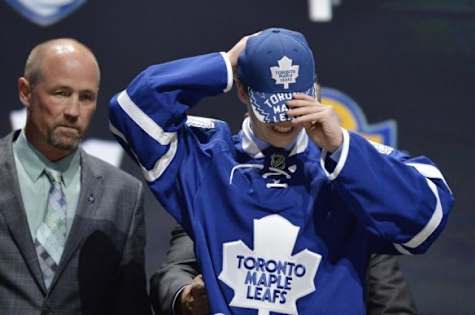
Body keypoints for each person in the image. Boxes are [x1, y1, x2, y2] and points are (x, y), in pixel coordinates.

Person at [109, 28, 453, 314]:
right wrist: (225, 65)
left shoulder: (346, 167)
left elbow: (429, 217)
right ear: (243, 91)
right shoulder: (206, 160)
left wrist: (342, 148)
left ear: (315, 90)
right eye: (272, 105)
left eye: (294, 103)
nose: (285, 120)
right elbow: (131, 112)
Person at [0, 38, 151, 314]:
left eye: (86, 97)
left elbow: (130, 305)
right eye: (60, 93)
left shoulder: (124, 195)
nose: (73, 111)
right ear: (25, 91)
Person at [150, 225, 418, 315]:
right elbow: (172, 273)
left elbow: (392, 308)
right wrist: (185, 296)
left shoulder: (352, 214)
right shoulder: (216, 187)